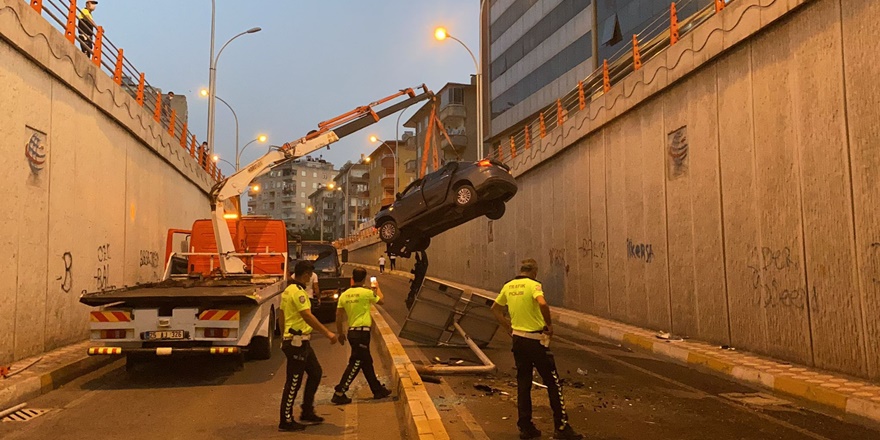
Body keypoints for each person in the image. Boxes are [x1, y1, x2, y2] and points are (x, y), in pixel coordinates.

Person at [491, 259, 583, 440]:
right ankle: (561, 427)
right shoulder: (534, 285)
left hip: (518, 340)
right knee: (553, 382)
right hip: (536, 341)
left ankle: (526, 427)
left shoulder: (508, 286)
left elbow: (495, 308)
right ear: (534, 271)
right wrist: (549, 325)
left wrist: (508, 327)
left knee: (524, 383)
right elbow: (542, 304)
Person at [278, 261, 338, 432]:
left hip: (300, 341)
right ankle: (286, 420)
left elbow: (282, 315)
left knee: (315, 372)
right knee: (294, 382)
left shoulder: (288, 290)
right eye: (310, 276)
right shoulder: (298, 293)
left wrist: (283, 337)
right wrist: (328, 333)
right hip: (297, 342)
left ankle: (307, 411)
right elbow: (307, 316)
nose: (310, 279)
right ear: (305, 275)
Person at [331, 268, 391, 404]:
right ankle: (339, 392)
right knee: (356, 362)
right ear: (364, 279)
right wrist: (377, 287)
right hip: (363, 333)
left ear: (352, 278)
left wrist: (340, 333)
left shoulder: (344, 295)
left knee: (366, 362)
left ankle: (377, 390)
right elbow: (381, 301)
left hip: (352, 332)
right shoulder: (367, 293)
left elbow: (338, 316)